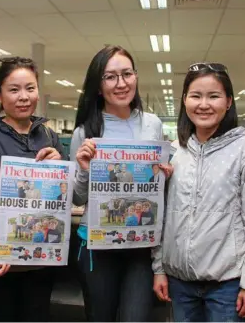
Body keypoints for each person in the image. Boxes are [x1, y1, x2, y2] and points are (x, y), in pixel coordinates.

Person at [152, 62, 245, 322]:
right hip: (180, 283)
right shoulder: (173, 152)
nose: (203, 104)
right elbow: (163, 218)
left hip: (227, 285)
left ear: (228, 102)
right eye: (196, 95)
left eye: (214, 96)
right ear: (184, 100)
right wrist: (159, 268)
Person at [0, 56, 66, 322]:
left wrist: (60, 164)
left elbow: (66, 194)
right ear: (0, 95)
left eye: (30, 88)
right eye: (14, 89)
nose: (23, 97)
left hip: (40, 258)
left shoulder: (48, 135)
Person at [70, 45, 170, 322]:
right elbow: (77, 199)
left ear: (136, 77)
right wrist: (84, 169)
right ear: (98, 86)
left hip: (140, 244)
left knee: (136, 317)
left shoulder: (152, 124)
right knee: (99, 316)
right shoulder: (85, 132)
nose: (121, 83)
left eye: (127, 74)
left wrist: (166, 174)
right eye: (110, 76)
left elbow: (159, 184)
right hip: (97, 245)